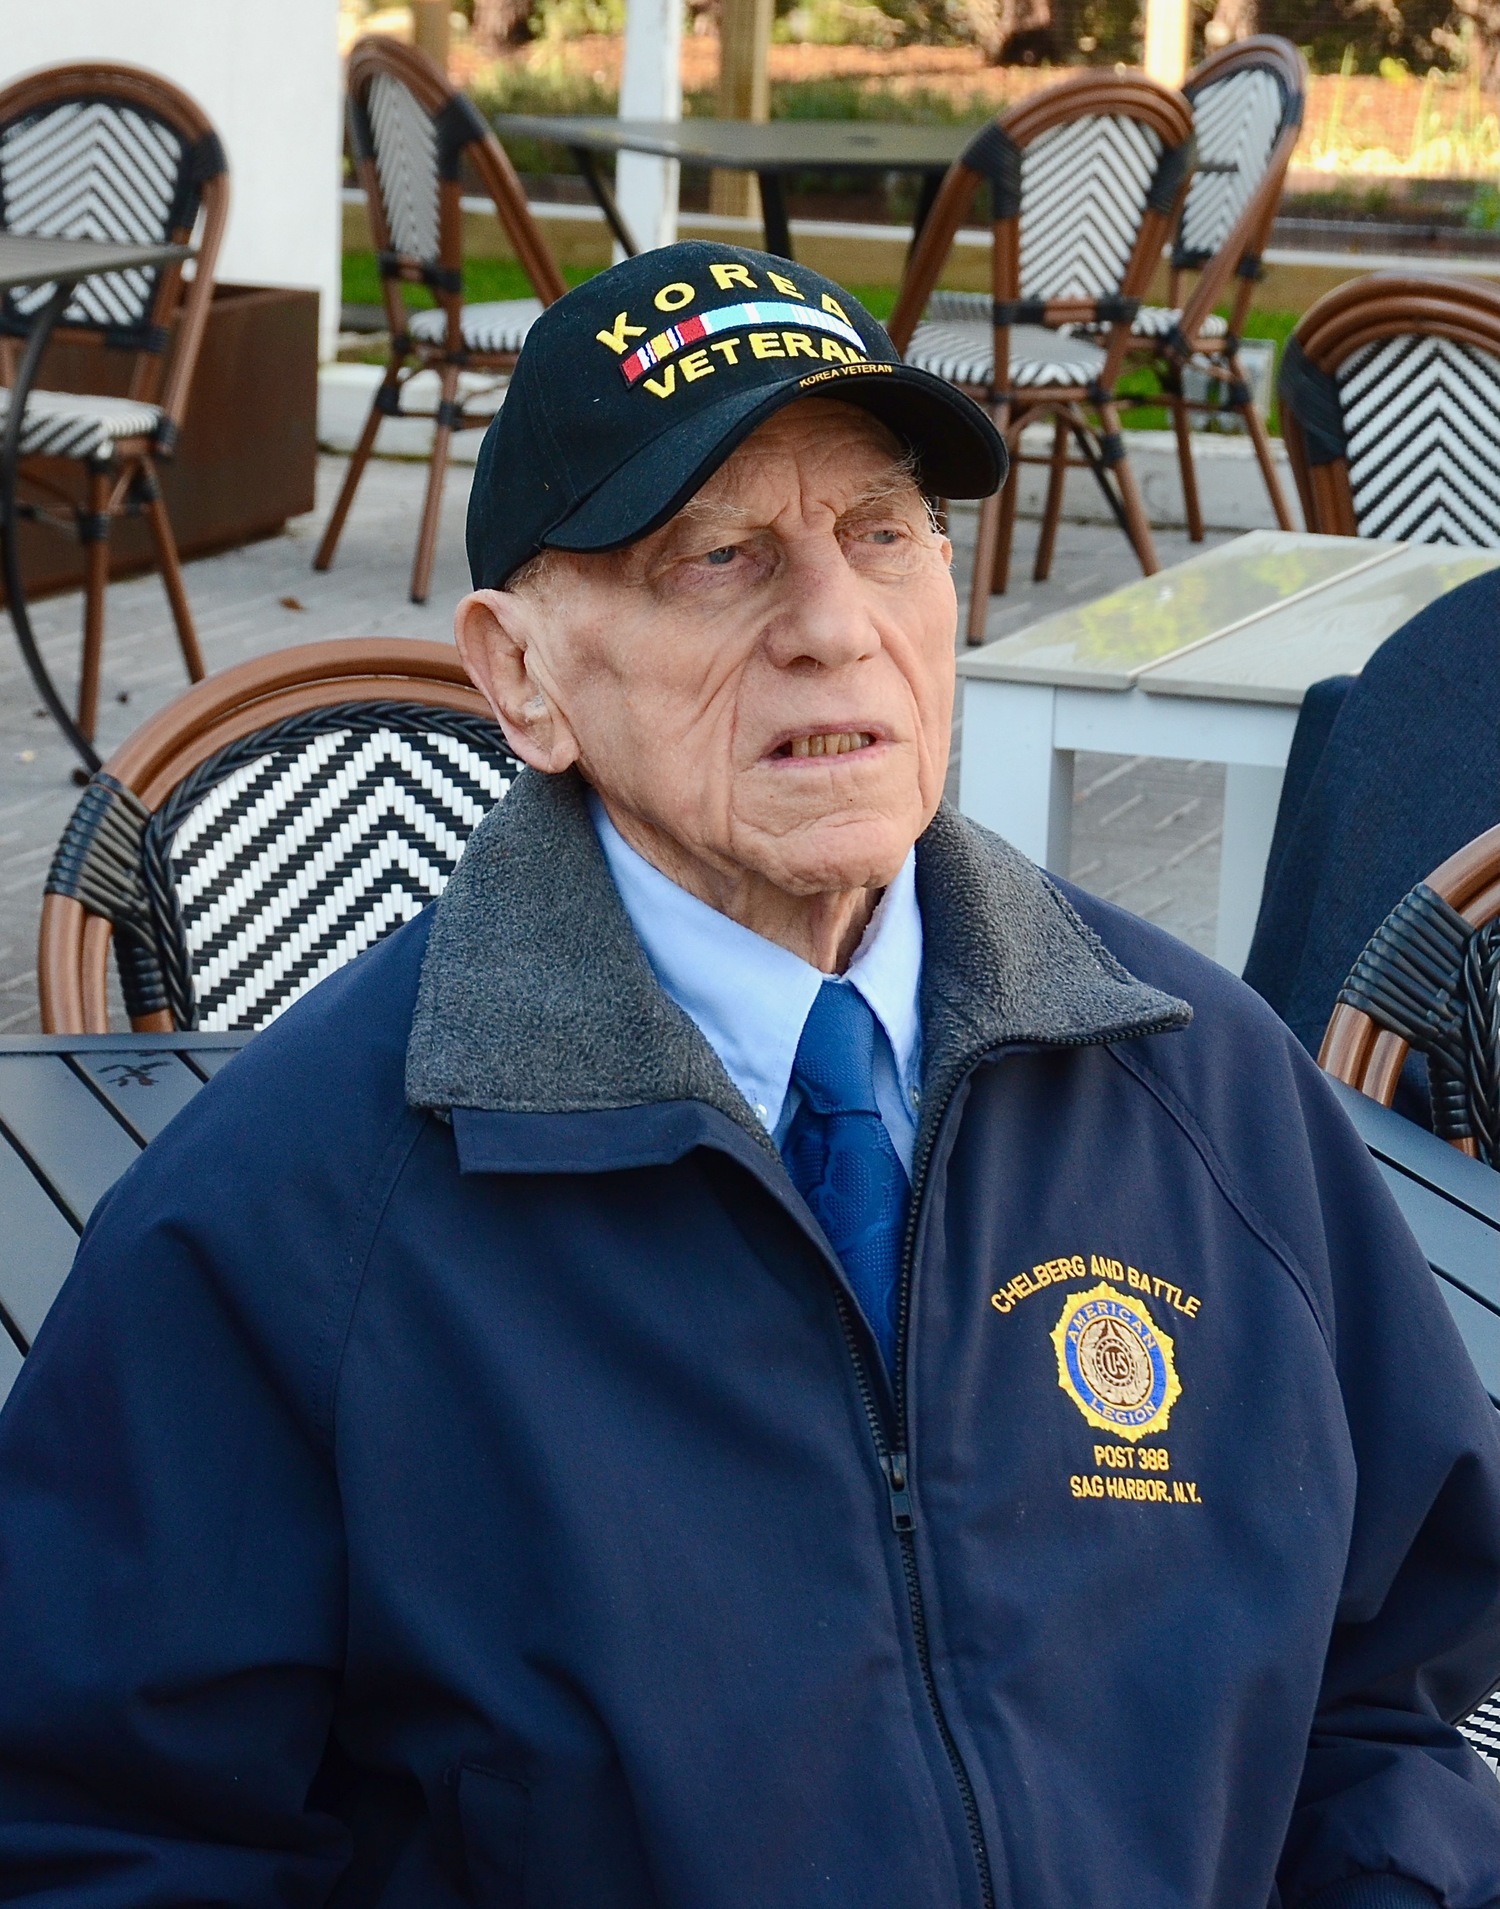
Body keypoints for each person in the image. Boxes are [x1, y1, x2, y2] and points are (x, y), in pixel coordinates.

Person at [0, 243, 1495, 1909]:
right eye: (719, 554)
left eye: (884, 533)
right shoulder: (278, 1228)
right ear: (521, 675)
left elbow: (1389, 1703)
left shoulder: (1213, 1096)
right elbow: (102, 1835)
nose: (835, 628)